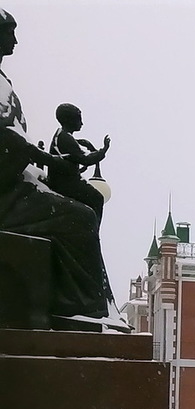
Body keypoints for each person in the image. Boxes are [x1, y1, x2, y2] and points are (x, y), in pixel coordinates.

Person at [0, 8, 119, 325]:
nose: (15, 39)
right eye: (8, 32)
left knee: (85, 209)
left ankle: (86, 304)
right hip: (5, 194)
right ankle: (80, 309)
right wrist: (97, 154)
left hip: (16, 183)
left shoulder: (3, 83)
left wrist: (35, 166)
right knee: (82, 215)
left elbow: (19, 145)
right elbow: (12, 144)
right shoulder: (62, 136)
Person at [46, 102, 109, 223]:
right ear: (69, 120)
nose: (82, 123)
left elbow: (75, 157)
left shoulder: (64, 136)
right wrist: (103, 150)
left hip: (66, 180)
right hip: (64, 183)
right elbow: (85, 158)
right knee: (97, 198)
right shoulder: (64, 137)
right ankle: (93, 231)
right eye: (79, 120)